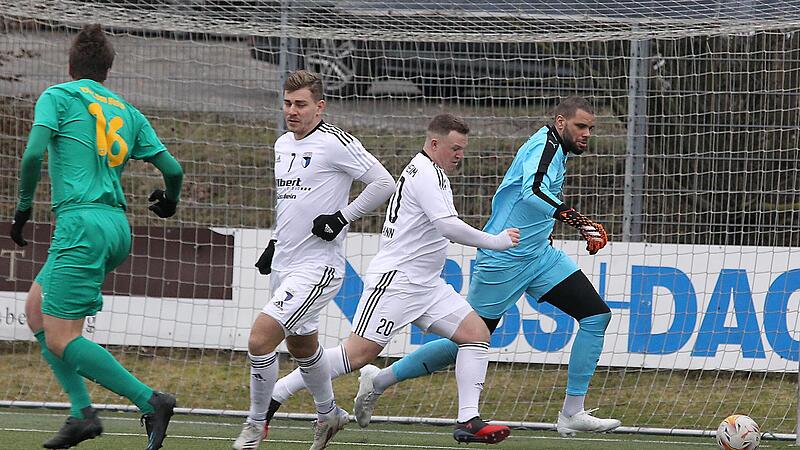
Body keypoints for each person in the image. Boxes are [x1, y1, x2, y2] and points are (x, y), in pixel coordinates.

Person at [352, 96, 620, 437]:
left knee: (596, 314)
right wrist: (576, 219)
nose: (586, 134)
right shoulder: (546, 146)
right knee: (466, 341)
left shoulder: (557, 149)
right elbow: (532, 192)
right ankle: (379, 378)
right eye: (581, 126)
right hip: (504, 259)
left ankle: (572, 412)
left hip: (538, 255)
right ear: (561, 122)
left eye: (591, 129)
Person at [255, 113, 521, 445]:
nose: (459, 155)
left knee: (476, 335)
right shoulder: (424, 173)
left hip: (427, 285)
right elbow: (447, 226)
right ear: (435, 143)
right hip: (395, 282)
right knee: (356, 355)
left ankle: (468, 419)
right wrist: (495, 241)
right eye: (455, 148)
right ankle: (277, 393)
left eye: (462, 149)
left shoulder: (433, 172)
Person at [8, 24, 184, 450]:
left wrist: (23, 207)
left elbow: (32, 153)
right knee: (36, 309)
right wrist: (169, 201)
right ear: (107, 70)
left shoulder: (59, 96)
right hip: (115, 225)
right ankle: (82, 413)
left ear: (70, 67)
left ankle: (151, 400)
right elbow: (173, 170)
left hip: (80, 225)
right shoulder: (126, 110)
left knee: (62, 337)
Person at [232, 69, 396, 450]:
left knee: (260, 340)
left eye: (301, 104)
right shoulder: (281, 145)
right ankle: (329, 414)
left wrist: (343, 217)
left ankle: (255, 425)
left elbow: (384, 182)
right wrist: (275, 242)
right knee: (302, 349)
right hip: (286, 264)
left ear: (319, 107)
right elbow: (290, 202)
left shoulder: (335, 142)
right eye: (288, 103)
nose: (293, 111)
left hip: (319, 267)